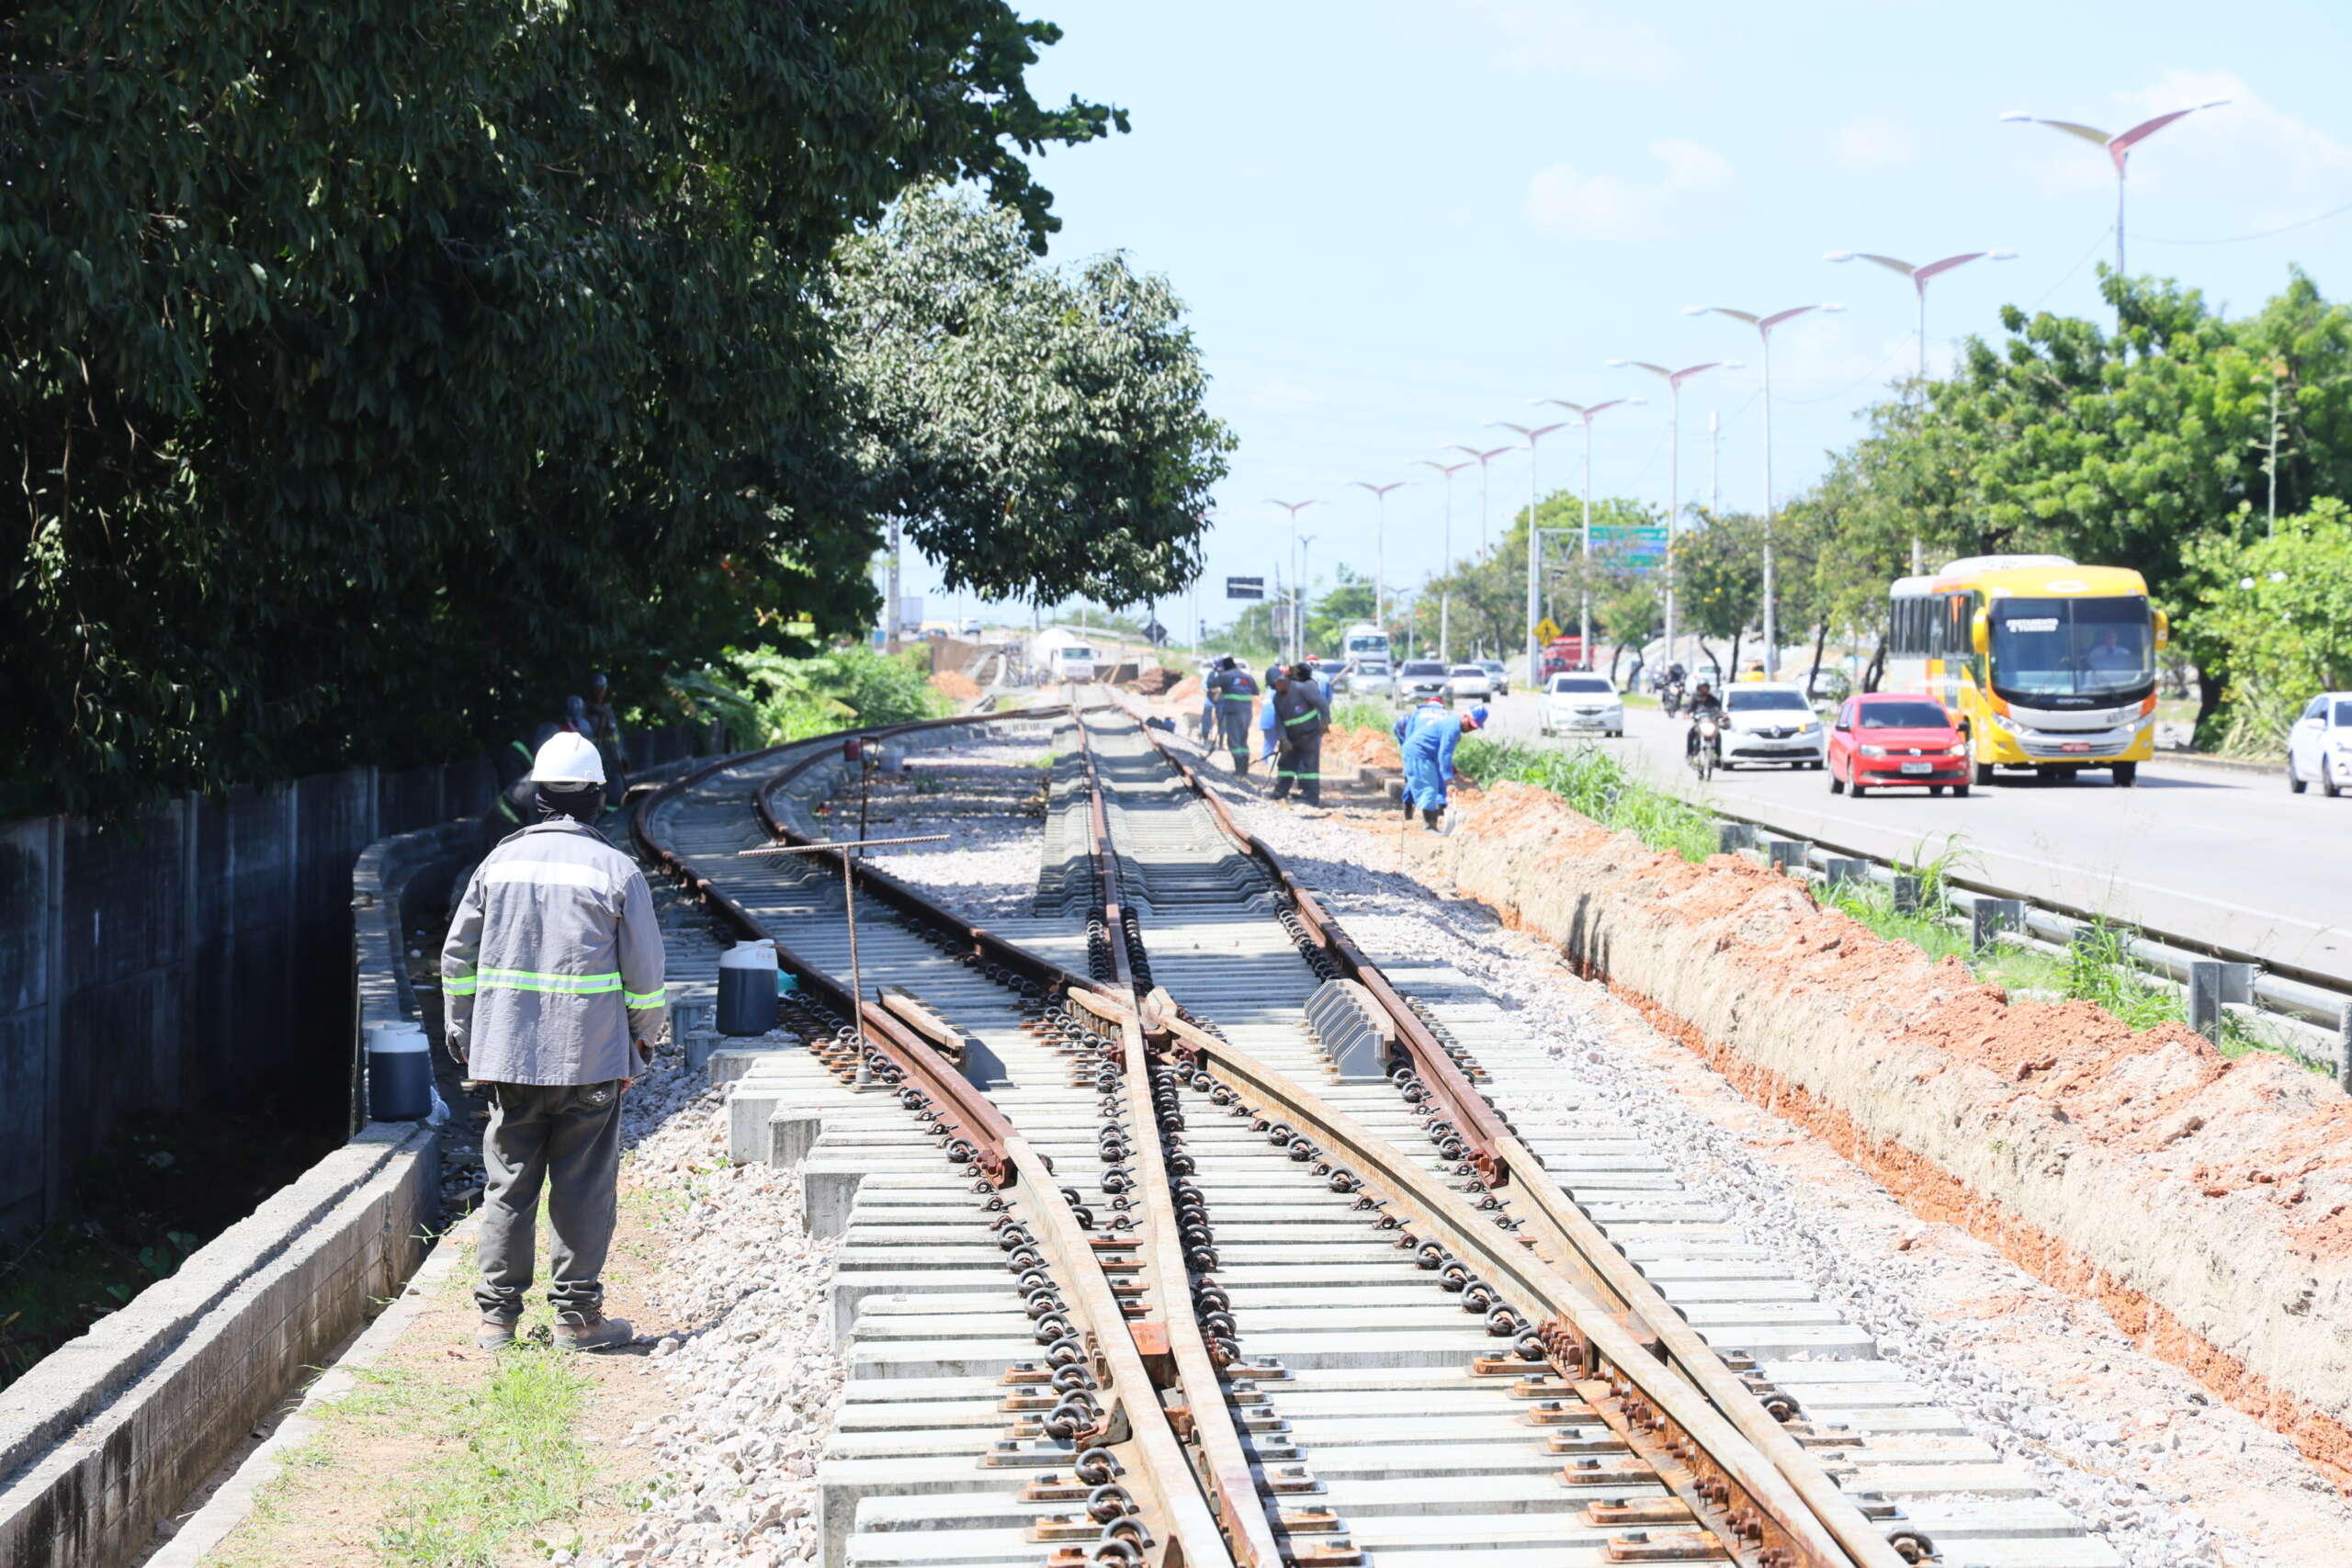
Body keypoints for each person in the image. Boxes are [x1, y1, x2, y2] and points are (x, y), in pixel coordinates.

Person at [442, 732, 667, 1352]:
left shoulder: (498, 865)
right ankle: (576, 1318)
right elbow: (646, 977)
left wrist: (464, 1033)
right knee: (583, 1185)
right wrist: (640, 1045)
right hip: (590, 1060)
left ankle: (497, 1321)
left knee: (508, 1183)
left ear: (538, 795)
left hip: (507, 1058)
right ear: (597, 798)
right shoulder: (616, 870)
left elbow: (457, 959)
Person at [1394, 700, 1486, 829]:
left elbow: (1441, 751)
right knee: (1428, 788)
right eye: (1470, 725)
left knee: (1432, 786)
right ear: (1465, 717)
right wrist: (1449, 780)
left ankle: (1431, 824)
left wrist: (1449, 769)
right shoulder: (1453, 727)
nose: (1471, 729)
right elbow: (1444, 754)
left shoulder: (1451, 722)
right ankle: (1429, 826)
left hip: (1425, 753)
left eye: (1474, 728)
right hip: (1419, 753)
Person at [1270, 662, 1330, 805]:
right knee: (1285, 765)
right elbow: (1279, 721)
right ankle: (1280, 792)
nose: (1275, 689)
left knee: (1309, 767)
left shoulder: (1302, 688)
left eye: (1276, 685)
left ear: (1282, 680)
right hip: (1291, 739)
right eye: (1272, 687)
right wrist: (1283, 739)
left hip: (1310, 736)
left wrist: (1325, 722)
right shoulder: (1277, 699)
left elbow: (1322, 703)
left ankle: (1311, 797)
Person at [1204, 657, 1261, 773]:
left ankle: (1239, 770)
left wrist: (1216, 672)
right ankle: (1244, 769)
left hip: (1233, 711)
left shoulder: (1226, 675)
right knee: (1243, 740)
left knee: (1234, 741)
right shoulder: (1247, 677)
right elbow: (1256, 692)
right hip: (1247, 712)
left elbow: (1210, 684)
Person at [583, 672, 628, 790]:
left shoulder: (608, 710)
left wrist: (622, 755)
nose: (600, 693)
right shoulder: (586, 711)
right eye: (597, 690)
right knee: (598, 792)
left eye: (602, 689)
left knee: (617, 791)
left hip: (613, 758)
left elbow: (615, 734)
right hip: (597, 760)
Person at [1684, 680, 1724, 756]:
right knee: (1690, 733)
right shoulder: (1695, 698)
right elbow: (1689, 708)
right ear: (1698, 688)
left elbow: (1718, 708)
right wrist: (1687, 714)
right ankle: (1689, 753)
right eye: (1702, 688)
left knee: (1718, 735)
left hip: (1710, 722)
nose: (1703, 690)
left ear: (1708, 688)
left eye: (1705, 688)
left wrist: (1722, 714)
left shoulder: (1712, 699)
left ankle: (1718, 756)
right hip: (1699, 723)